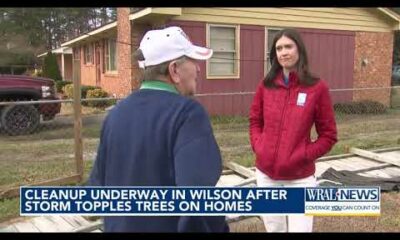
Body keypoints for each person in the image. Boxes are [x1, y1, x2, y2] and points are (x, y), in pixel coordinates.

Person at [88, 26, 229, 233]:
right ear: (174, 70)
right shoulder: (187, 114)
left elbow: (96, 191)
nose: (198, 69)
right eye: (192, 60)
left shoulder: (115, 115)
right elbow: (198, 199)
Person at [249, 28, 338, 232]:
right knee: (275, 229)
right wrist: (259, 146)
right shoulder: (266, 85)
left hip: (299, 178)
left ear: (299, 50)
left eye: (288, 46)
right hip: (266, 176)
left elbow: (329, 135)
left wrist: (304, 155)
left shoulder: (317, 88)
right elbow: (255, 120)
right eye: (279, 48)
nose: (283, 52)